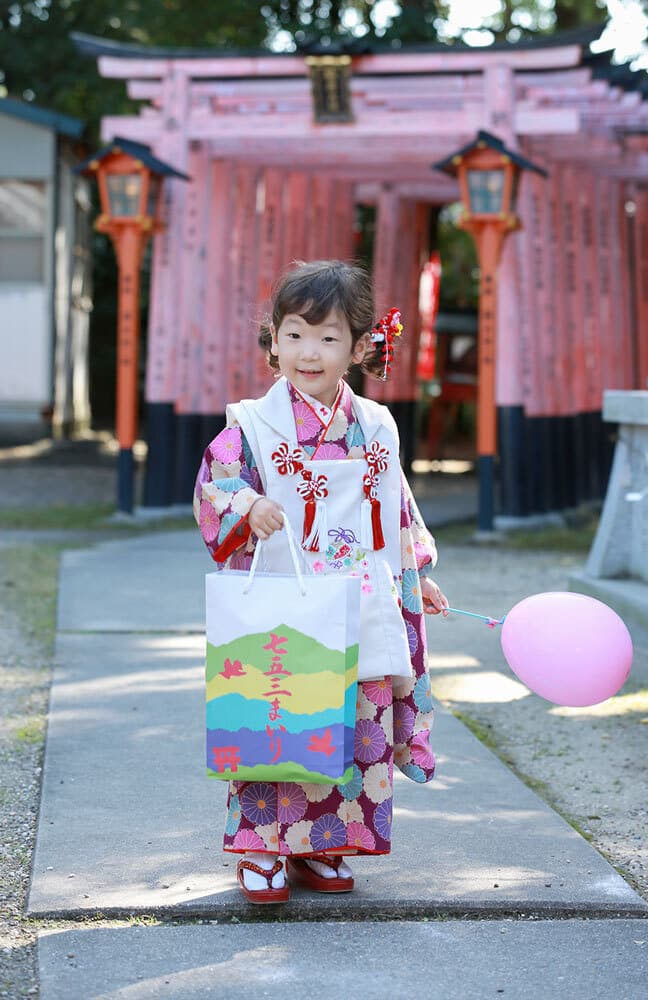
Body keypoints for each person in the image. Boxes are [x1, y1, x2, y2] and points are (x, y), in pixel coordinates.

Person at [194, 259, 448, 904]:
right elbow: (217, 485)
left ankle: (327, 841)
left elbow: (395, 503)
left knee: (354, 715)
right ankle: (260, 847)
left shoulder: (376, 424)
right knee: (280, 710)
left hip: (362, 595)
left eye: (329, 337)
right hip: (286, 593)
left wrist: (415, 572)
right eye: (296, 334)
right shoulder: (252, 424)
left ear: (359, 348)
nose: (311, 352)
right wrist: (247, 507)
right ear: (273, 339)